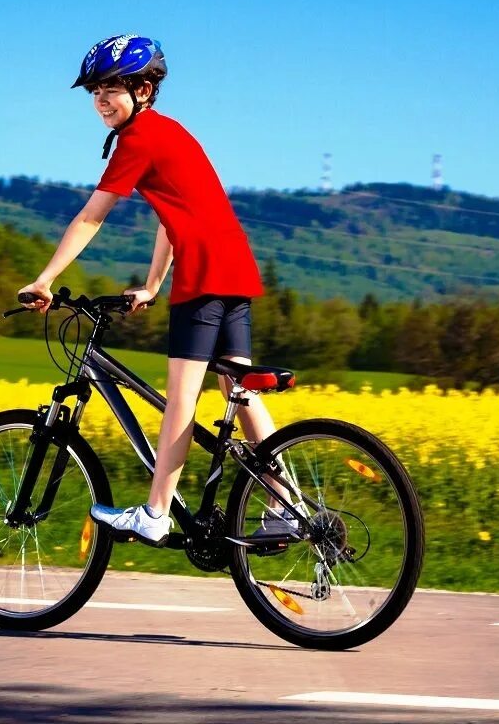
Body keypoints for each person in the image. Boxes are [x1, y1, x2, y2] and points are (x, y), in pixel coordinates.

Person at [17, 34, 294, 546]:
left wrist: (45, 279)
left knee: (180, 403)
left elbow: (91, 216)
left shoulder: (138, 140)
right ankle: (286, 505)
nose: (101, 99)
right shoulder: (172, 133)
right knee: (238, 390)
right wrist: (150, 285)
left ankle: (156, 511)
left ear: (144, 89)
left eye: (112, 89)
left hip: (204, 277)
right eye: (94, 91)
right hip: (234, 268)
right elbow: (174, 215)